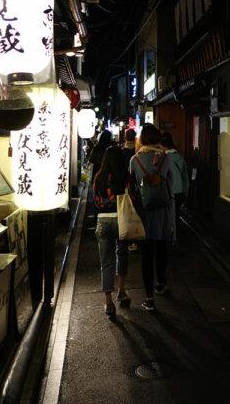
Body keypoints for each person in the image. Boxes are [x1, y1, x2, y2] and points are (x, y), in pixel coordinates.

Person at [129, 123, 174, 311]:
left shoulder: (134, 160)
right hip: (163, 211)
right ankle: (161, 282)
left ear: (142, 139)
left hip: (143, 213)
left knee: (146, 255)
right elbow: (170, 183)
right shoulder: (166, 157)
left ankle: (149, 298)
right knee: (162, 247)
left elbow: (131, 186)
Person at [93, 146, 131, 316]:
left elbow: (95, 203)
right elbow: (132, 197)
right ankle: (121, 292)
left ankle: (108, 302)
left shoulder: (98, 178)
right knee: (121, 254)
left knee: (106, 262)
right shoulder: (124, 177)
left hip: (102, 219)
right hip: (120, 218)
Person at [160, 131, 189, 241]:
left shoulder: (162, 158)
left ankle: (167, 235)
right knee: (175, 215)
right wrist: (186, 191)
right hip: (179, 191)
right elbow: (185, 177)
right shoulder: (179, 157)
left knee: (165, 215)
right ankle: (175, 237)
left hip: (166, 191)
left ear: (163, 146)